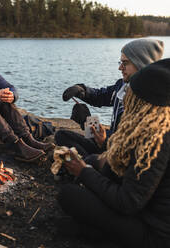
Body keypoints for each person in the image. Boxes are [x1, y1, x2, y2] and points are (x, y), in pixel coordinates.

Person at [58, 58, 170, 248]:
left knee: (68, 195)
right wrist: (92, 165)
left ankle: (97, 233)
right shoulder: (154, 126)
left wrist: (83, 171)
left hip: (154, 235)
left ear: (143, 101)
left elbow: (128, 202)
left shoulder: (156, 142)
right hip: (143, 209)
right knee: (95, 161)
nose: (126, 98)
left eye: (131, 94)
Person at [55, 38, 164, 159]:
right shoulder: (123, 86)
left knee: (87, 158)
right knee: (61, 135)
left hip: (123, 155)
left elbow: (132, 147)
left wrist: (95, 133)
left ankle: (88, 166)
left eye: (125, 63)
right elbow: (101, 96)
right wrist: (81, 91)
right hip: (110, 143)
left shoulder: (152, 101)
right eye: (120, 63)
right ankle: (89, 165)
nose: (120, 68)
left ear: (141, 63)